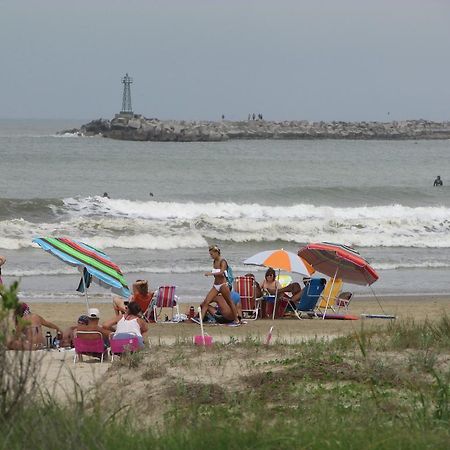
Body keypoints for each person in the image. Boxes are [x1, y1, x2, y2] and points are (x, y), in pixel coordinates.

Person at [200, 245, 239, 324]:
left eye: (212, 254)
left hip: (223, 285)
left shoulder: (223, 261)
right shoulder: (214, 262)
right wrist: (213, 274)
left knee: (229, 302)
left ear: (216, 252)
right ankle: (200, 320)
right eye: (210, 254)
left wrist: (210, 273)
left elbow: (221, 272)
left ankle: (236, 319)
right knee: (207, 301)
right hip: (216, 285)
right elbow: (216, 273)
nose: (211, 256)